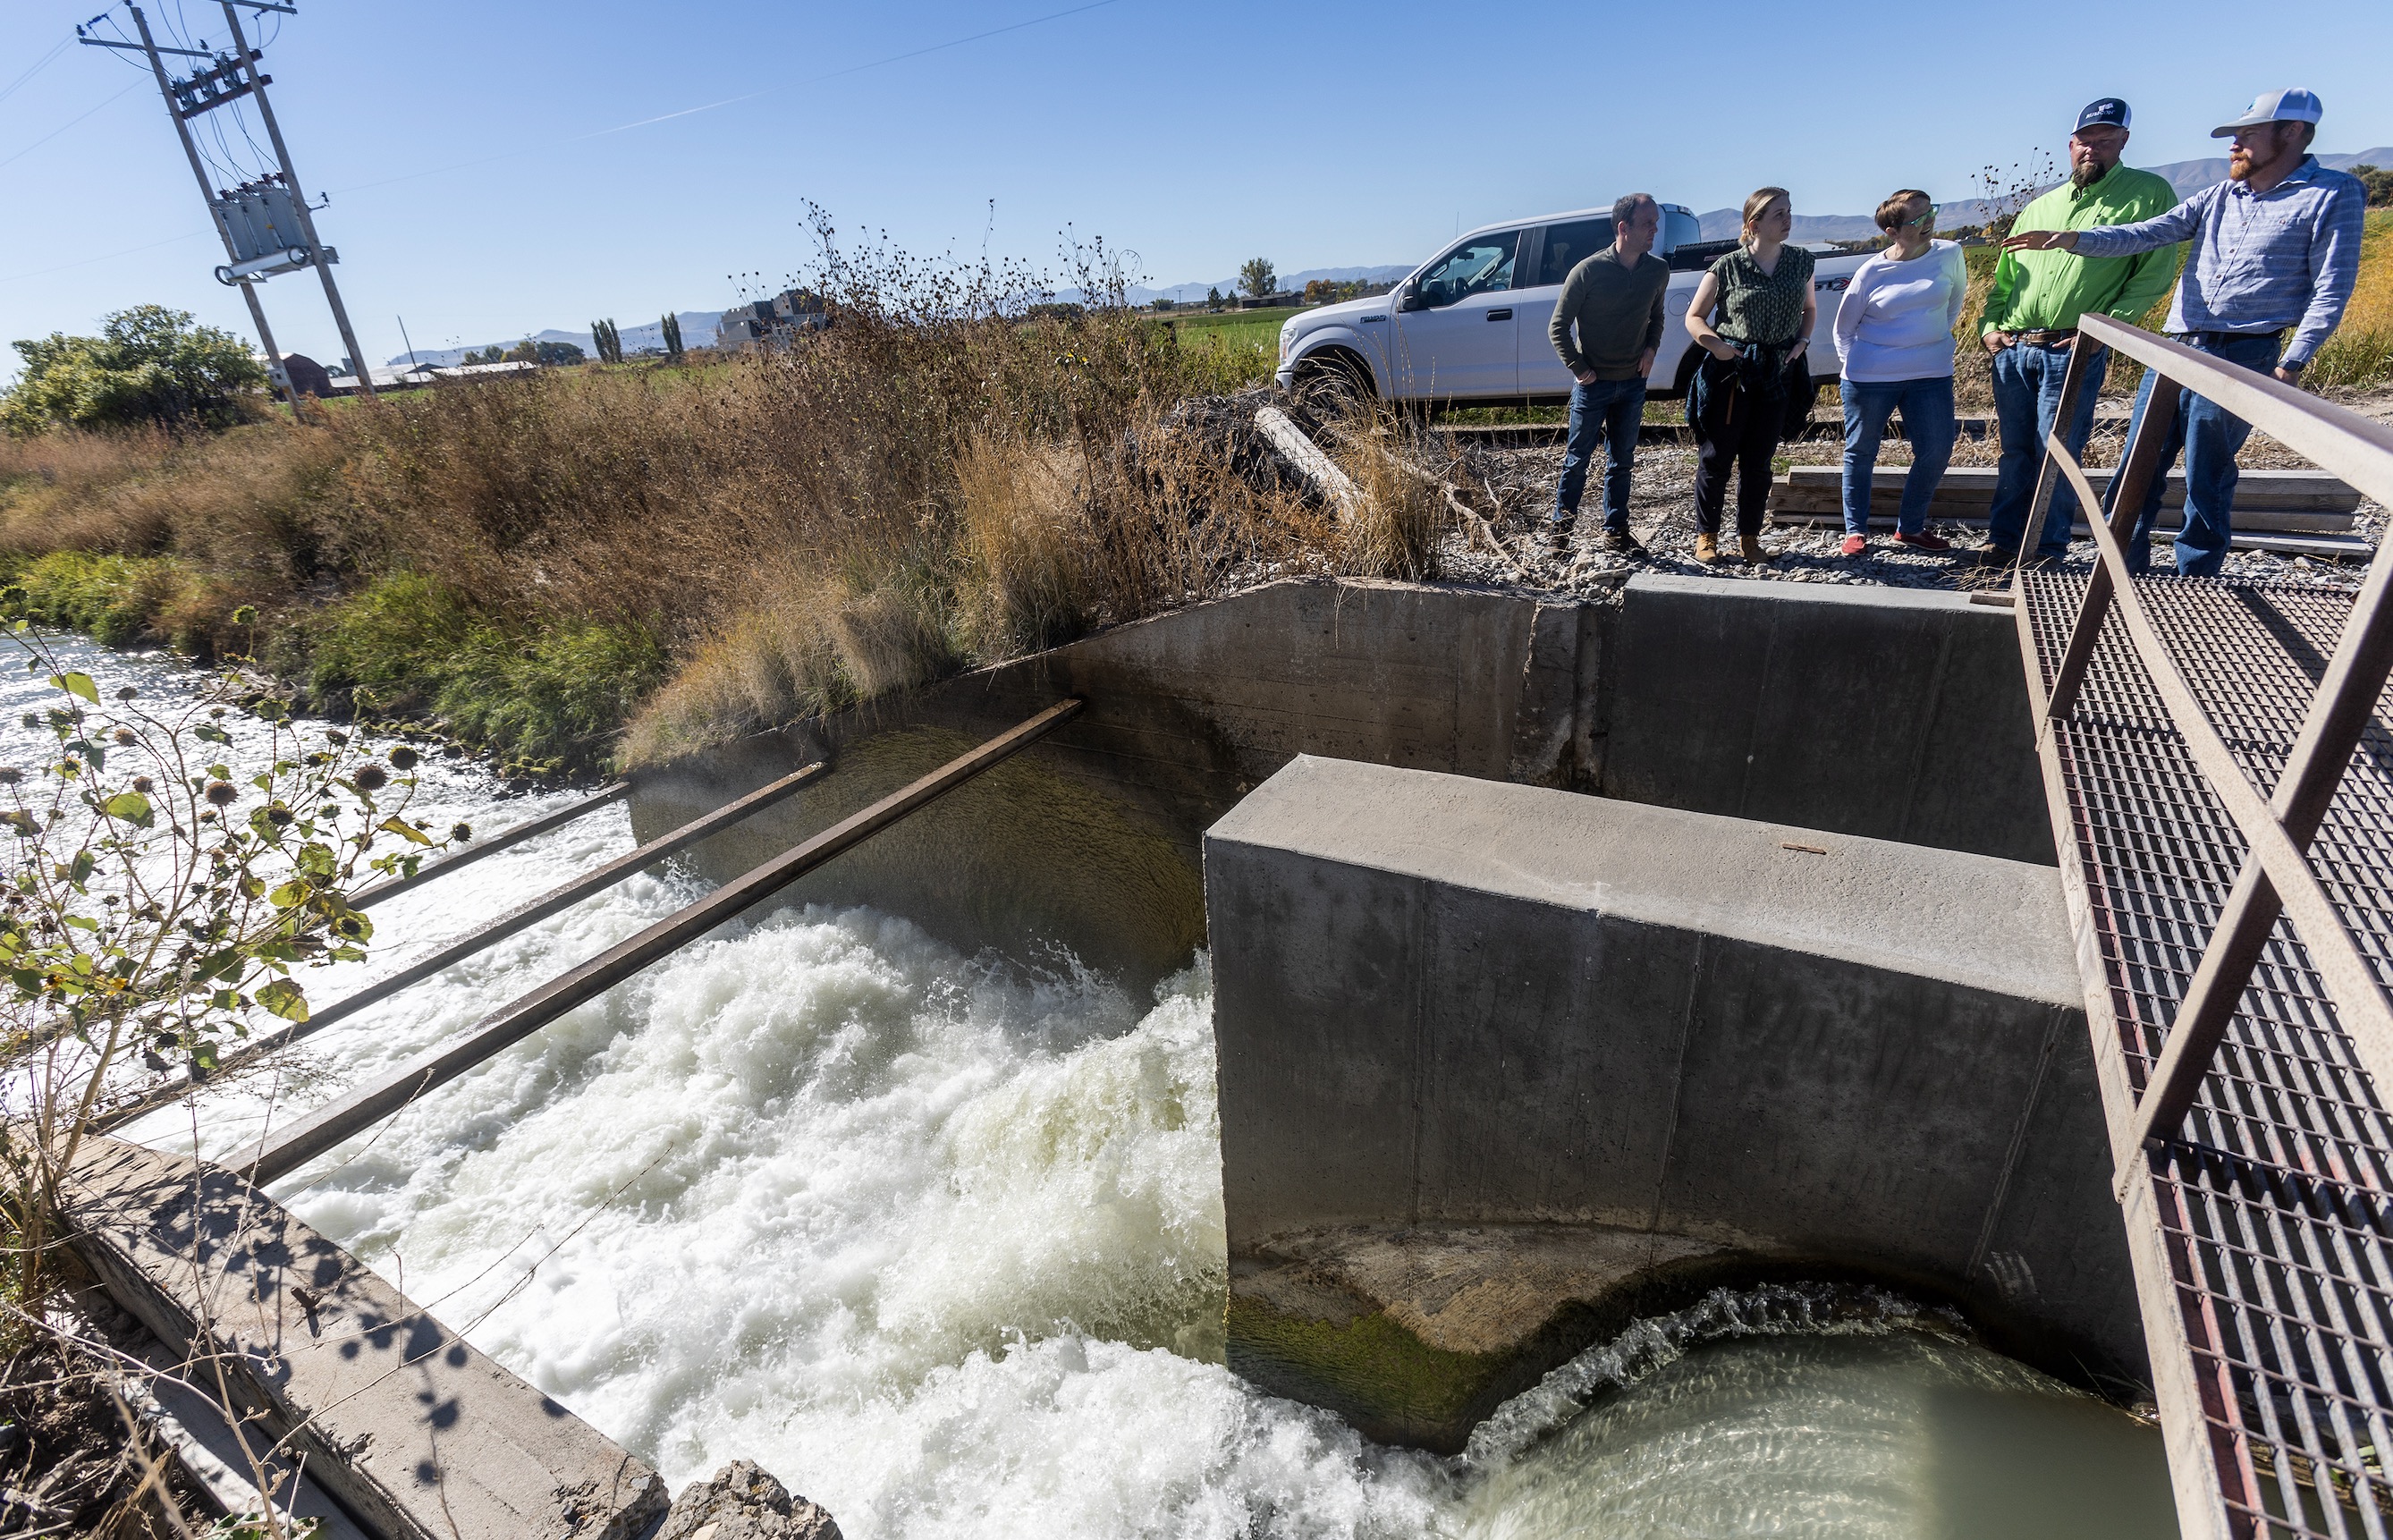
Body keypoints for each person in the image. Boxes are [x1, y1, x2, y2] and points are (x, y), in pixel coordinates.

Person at [2003, 89, 2364, 577]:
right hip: (2175, 347)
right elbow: (2148, 232)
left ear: (2293, 133)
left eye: (2247, 135)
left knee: (2206, 472)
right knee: (2137, 467)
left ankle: (2194, 581)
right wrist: (2071, 239)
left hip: (2243, 352)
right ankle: (2117, 573)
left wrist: (2294, 360)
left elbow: (2332, 286)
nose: (2234, 145)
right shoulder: (2221, 194)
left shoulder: (2332, 193)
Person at [1977, 98, 2182, 568]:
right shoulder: (2039, 206)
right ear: (2070, 144)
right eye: (2084, 140)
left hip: (2073, 346)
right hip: (2014, 346)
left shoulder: (2148, 194)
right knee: (2014, 453)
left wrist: (2106, 329)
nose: (2092, 149)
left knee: (2059, 453)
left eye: (2105, 140)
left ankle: (2045, 550)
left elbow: (2152, 275)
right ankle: (2005, 540)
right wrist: (1991, 327)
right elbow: (2006, 279)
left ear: (2124, 141)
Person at [1684, 187, 1816, 565]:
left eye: (1789, 211)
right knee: (1716, 457)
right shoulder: (1727, 266)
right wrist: (1718, 348)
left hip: (1778, 372)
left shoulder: (1802, 262)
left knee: (1759, 460)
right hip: (1733, 372)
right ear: (1753, 224)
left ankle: (1749, 538)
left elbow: (1809, 309)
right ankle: (1707, 536)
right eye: (1778, 214)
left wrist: (1802, 341)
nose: (1787, 219)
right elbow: (1694, 317)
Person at [1831, 190, 1968, 557]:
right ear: (1892, 231)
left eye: (1930, 213)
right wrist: (1855, 367)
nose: (1929, 223)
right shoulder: (1872, 270)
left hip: (1931, 373)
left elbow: (1954, 302)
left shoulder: (1950, 253)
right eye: (1917, 219)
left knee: (1937, 450)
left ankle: (1910, 528)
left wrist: (1933, 340)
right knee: (1861, 452)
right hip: (1870, 377)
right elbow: (1844, 328)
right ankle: (1855, 532)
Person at [1548, 192, 1670, 559]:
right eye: (1647, 223)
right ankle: (1561, 533)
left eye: (1655, 223)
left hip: (1633, 383)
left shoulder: (1657, 271)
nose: (1655, 229)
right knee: (1577, 459)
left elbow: (1657, 318)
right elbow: (1558, 327)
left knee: (1622, 461)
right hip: (1594, 384)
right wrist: (1580, 368)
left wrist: (1651, 350)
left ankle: (1615, 532)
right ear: (1624, 227)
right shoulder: (1588, 271)